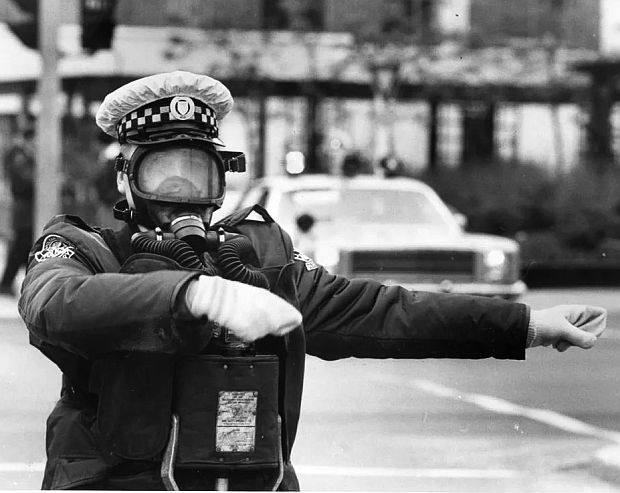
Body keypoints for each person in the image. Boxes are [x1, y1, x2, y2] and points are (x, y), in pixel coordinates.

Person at [18, 71, 607, 491]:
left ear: (223, 178)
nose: (182, 196)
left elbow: (381, 313)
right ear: (126, 181)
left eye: (197, 172)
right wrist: (191, 292)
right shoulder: (85, 249)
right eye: (161, 172)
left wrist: (526, 325)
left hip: (252, 481)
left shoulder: (261, 261)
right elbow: (54, 303)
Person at [0, 124, 35, 296]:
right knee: (21, 247)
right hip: (24, 210)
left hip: (27, 210)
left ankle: (12, 283)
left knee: (24, 247)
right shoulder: (20, 156)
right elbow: (23, 183)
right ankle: (7, 283)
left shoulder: (23, 155)